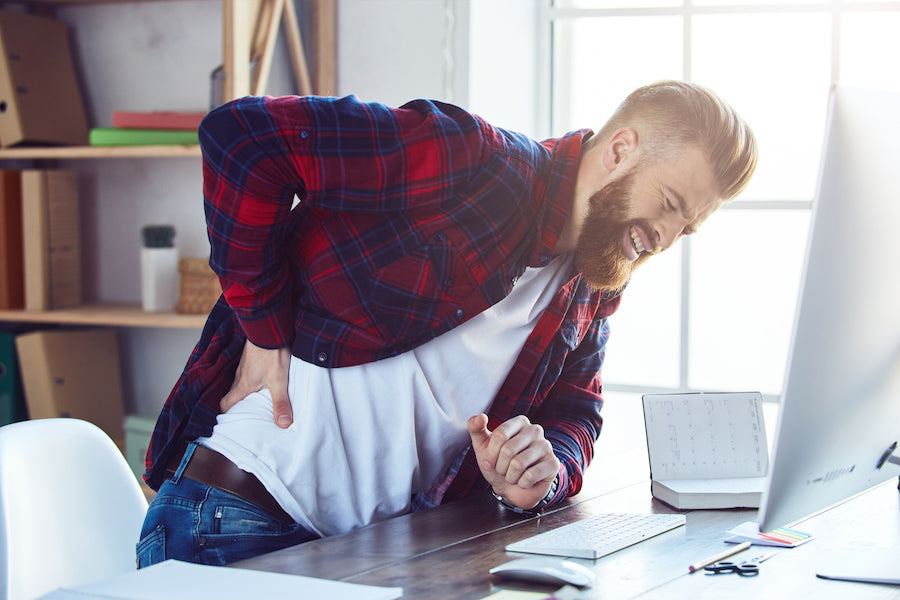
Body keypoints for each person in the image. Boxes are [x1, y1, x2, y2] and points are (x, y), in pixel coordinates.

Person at [137, 80, 757, 567]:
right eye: (671, 205)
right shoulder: (477, 161)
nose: (666, 239)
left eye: (687, 227)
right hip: (231, 520)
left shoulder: (591, 287)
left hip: (356, 554)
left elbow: (577, 413)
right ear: (621, 150)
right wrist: (263, 324)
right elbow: (243, 136)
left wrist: (544, 472)